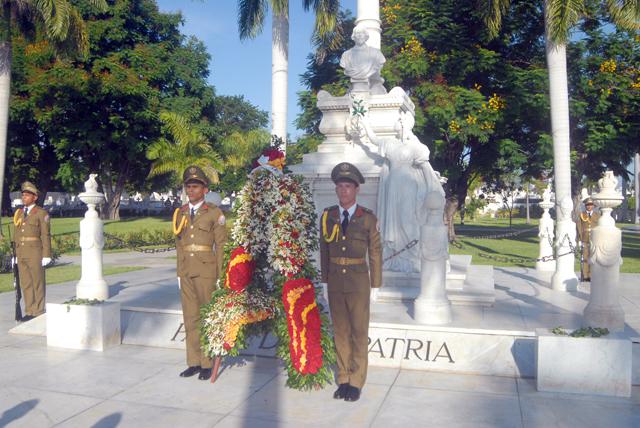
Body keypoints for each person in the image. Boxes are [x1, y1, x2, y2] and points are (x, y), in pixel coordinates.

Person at [320, 162, 382, 402]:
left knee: (358, 331)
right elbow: (324, 251)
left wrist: (375, 285)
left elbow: (375, 252)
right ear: (336, 189)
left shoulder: (367, 218)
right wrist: (324, 282)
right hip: (335, 281)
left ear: (356, 189)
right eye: (340, 186)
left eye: (348, 186)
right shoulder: (328, 216)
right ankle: (343, 377)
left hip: (358, 281)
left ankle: (356, 381)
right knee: (340, 332)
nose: (343, 190)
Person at [353, 111, 444, 272]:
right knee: (393, 221)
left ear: (406, 124)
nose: (399, 123)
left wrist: (434, 181)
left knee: (408, 218)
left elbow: (425, 167)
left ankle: (412, 255)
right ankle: (395, 254)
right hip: (393, 186)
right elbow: (374, 140)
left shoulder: (416, 146)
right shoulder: (390, 143)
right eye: (399, 121)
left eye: (401, 121)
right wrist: (365, 122)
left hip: (409, 186)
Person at [173, 166, 227, 380]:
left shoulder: (214, 213)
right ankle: (193, 362)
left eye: (195, 187)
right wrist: (179, 272)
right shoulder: (180, 213)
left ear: (205, 189)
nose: (191, 190)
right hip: (186, 270)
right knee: (190, 317)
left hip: (207, 270)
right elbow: (178, 244)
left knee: (206, 317)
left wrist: (221, 274)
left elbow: (221, 245)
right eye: (188, 187)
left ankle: (207, 362)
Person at [11, 181, 52, 321]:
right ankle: (29, 310)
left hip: (35, 253)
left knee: (37, 282)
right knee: (26, 283)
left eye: (27, 195)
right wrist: (15, 254)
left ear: (35, 197)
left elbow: (45, 235)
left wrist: (46, 255)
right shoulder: (19, 213)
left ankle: (38, 310)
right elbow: (17, 234)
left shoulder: (41, 213)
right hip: (21, 252)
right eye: (23, 195)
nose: (24, 198)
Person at [339, 25, 387, 94]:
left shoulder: (376, 53)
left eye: (362, 33)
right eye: (357, 33)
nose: (359, 35)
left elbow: (380, 63)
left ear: (366, 36)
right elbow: (345, 68)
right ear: (353, 36)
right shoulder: (346, 55)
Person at [577, 197, 600, 281]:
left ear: (593, 206)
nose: (589, 206)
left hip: (595, 239)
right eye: (588, 205)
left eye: (591, 205)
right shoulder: (581, 214)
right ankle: (585, 276)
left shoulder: (597, 215)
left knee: (593, 257)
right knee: (585, 258)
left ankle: (592, 275)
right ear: (585, 205)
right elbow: (579, 227)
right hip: (585, 239)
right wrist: (579, 240)